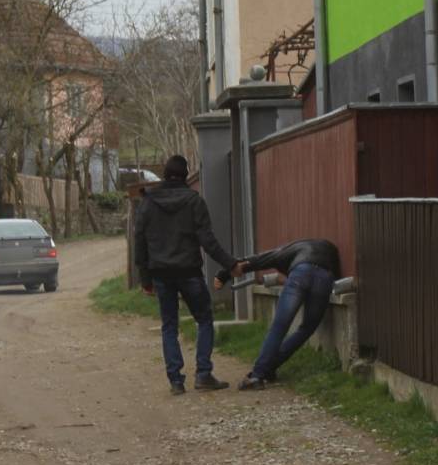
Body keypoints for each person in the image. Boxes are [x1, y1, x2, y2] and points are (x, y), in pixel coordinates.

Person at [134, 155, 245, 396]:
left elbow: (140, 243)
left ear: (164, 174)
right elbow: (208, 241)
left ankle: (175, 380)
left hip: (161, 274)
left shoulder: (148, 203)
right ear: (186, 176)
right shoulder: (194, 201)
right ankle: (203, 374)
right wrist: (231, 263)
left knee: (169, 325)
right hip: (189, 272)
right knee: (204, 319)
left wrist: (145, 280)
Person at [214, 239, 340, 391]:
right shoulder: (326, 248)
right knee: (307, 328)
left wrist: (223, 274)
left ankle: (258, 375)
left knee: (280, 326)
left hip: (300, 273)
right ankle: (269, 367)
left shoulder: (286, 252)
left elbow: (256, 261)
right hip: (325, 277)